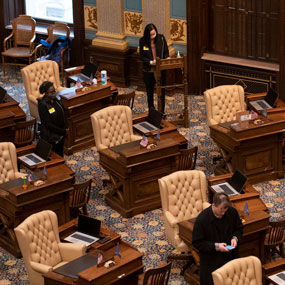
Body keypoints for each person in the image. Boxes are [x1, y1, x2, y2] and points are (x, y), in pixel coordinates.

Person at [192, 193, 243, 285]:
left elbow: (239, 228)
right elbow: (197, 243)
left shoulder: (232, 212)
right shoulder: (202, 220)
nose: (223, 213)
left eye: (225, 211)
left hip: (230, 258)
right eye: (221, 210)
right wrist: (216, 246)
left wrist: (235, 238)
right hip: (212, 262)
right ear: (213, 205)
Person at [139, 23, 169, 113]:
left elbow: (166, 52)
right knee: (150, 91)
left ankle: (161, 111)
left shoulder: (161, 39)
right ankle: (151, 110)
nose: (153, 35)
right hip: (148, 69)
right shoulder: (143, 41)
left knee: (161, 91)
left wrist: (166, 59)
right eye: (151, 34)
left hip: (160, 69)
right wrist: (150, 62)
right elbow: (142, 56)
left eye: (154, 33)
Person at [38, 81, 67, 156]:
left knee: (60, 155)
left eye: (54, 91)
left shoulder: (56, 100)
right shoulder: (42, 104)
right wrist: (62, 131)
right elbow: (47, 124)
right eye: (52, 92)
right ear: (46, 93)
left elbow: (63, 112)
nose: (54, 93)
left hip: (60, 134)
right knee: (53, 156)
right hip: (50, 137)